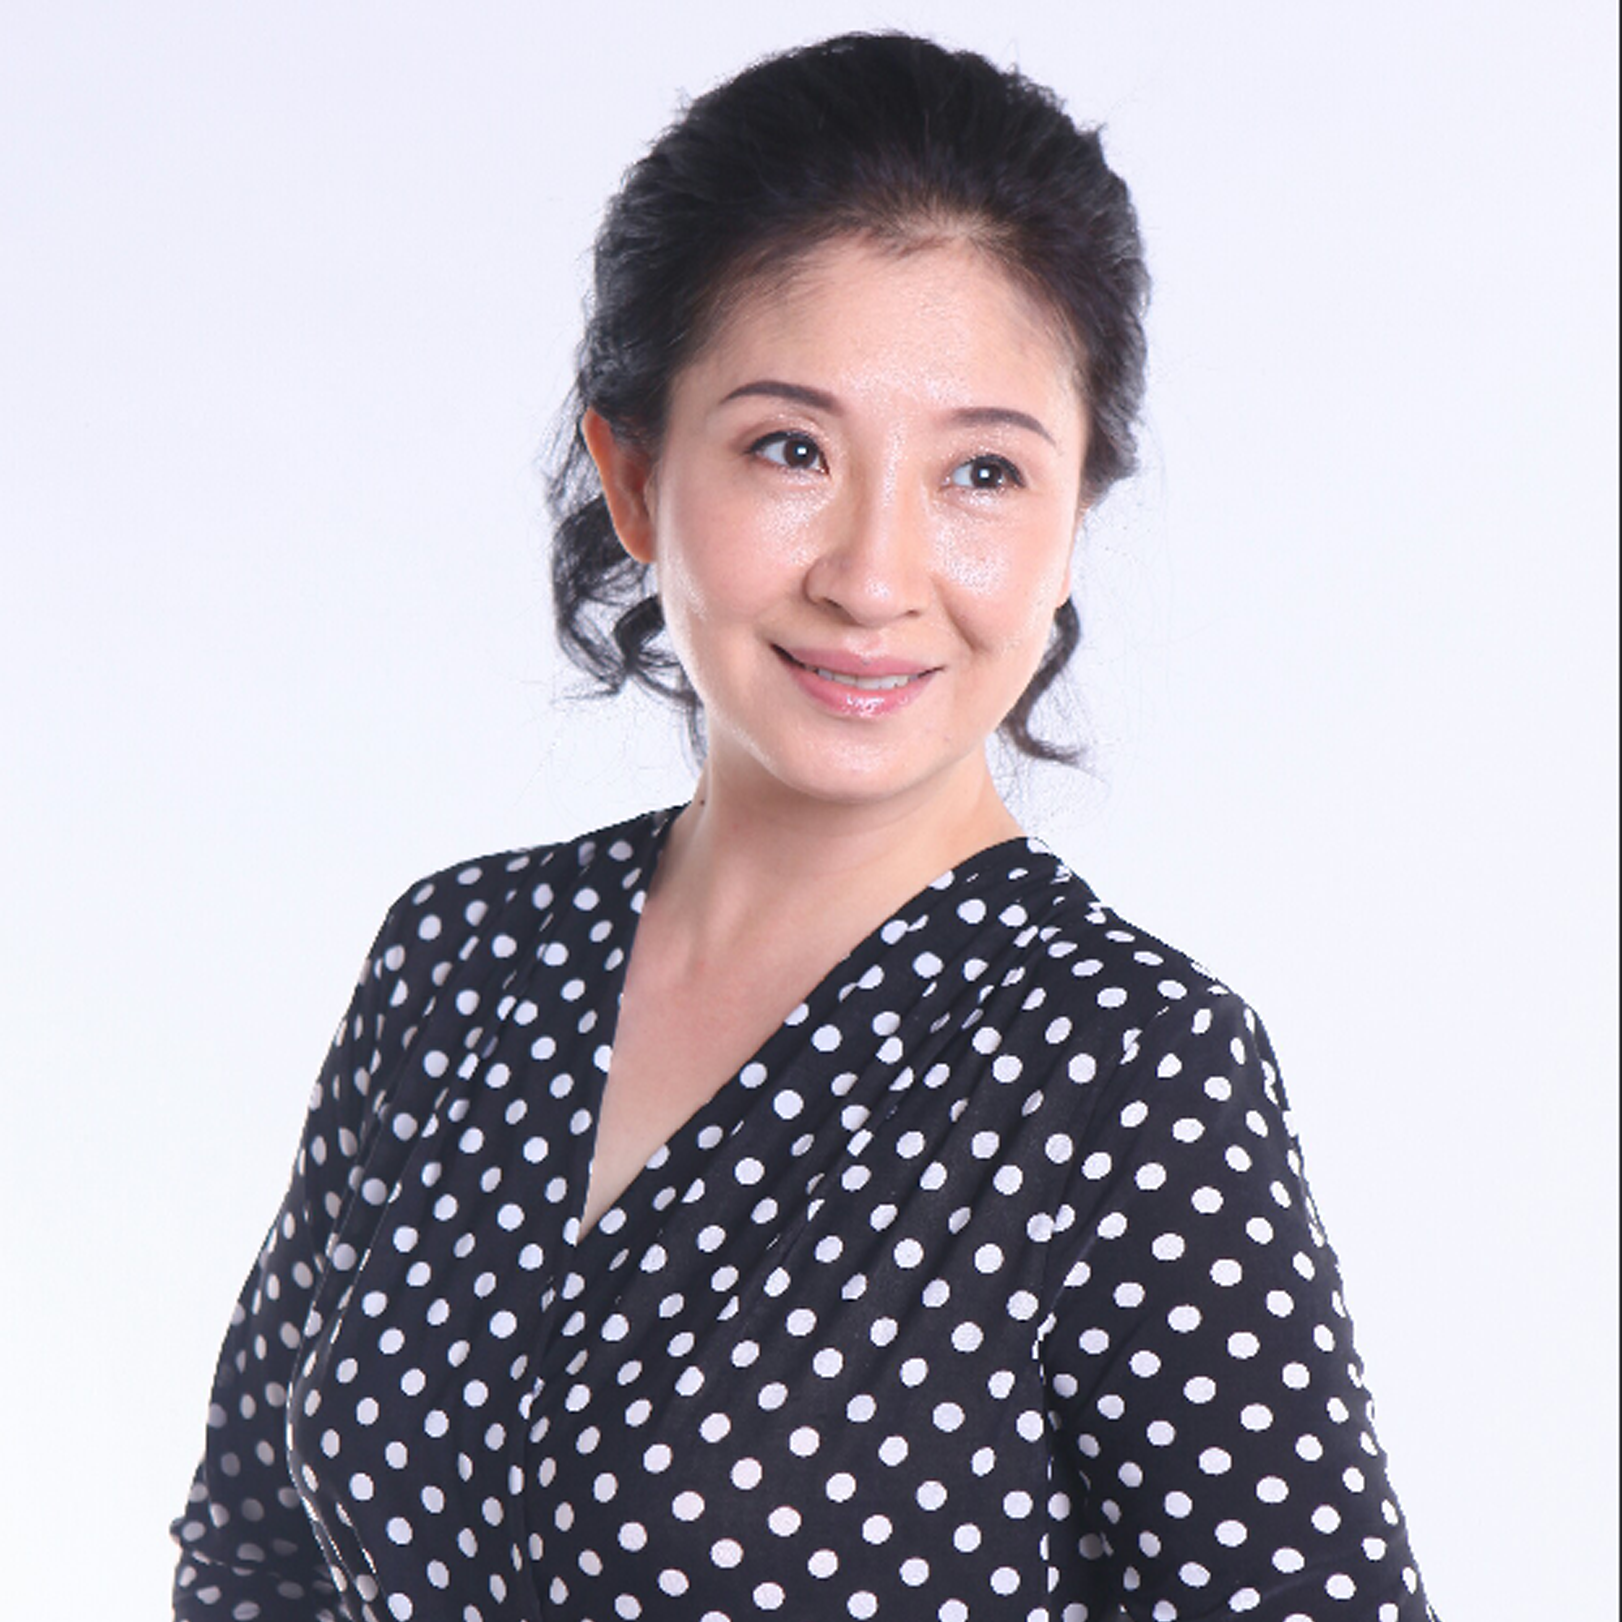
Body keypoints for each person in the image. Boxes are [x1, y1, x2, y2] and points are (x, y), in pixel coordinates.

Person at [171, 32, 1438, 1622]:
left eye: (983, 472)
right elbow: (255, 1558)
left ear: (1071, 524)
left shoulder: (1124, 1068)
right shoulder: (465, 957)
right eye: (789, 448)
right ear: (634, 477)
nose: (873, 573)